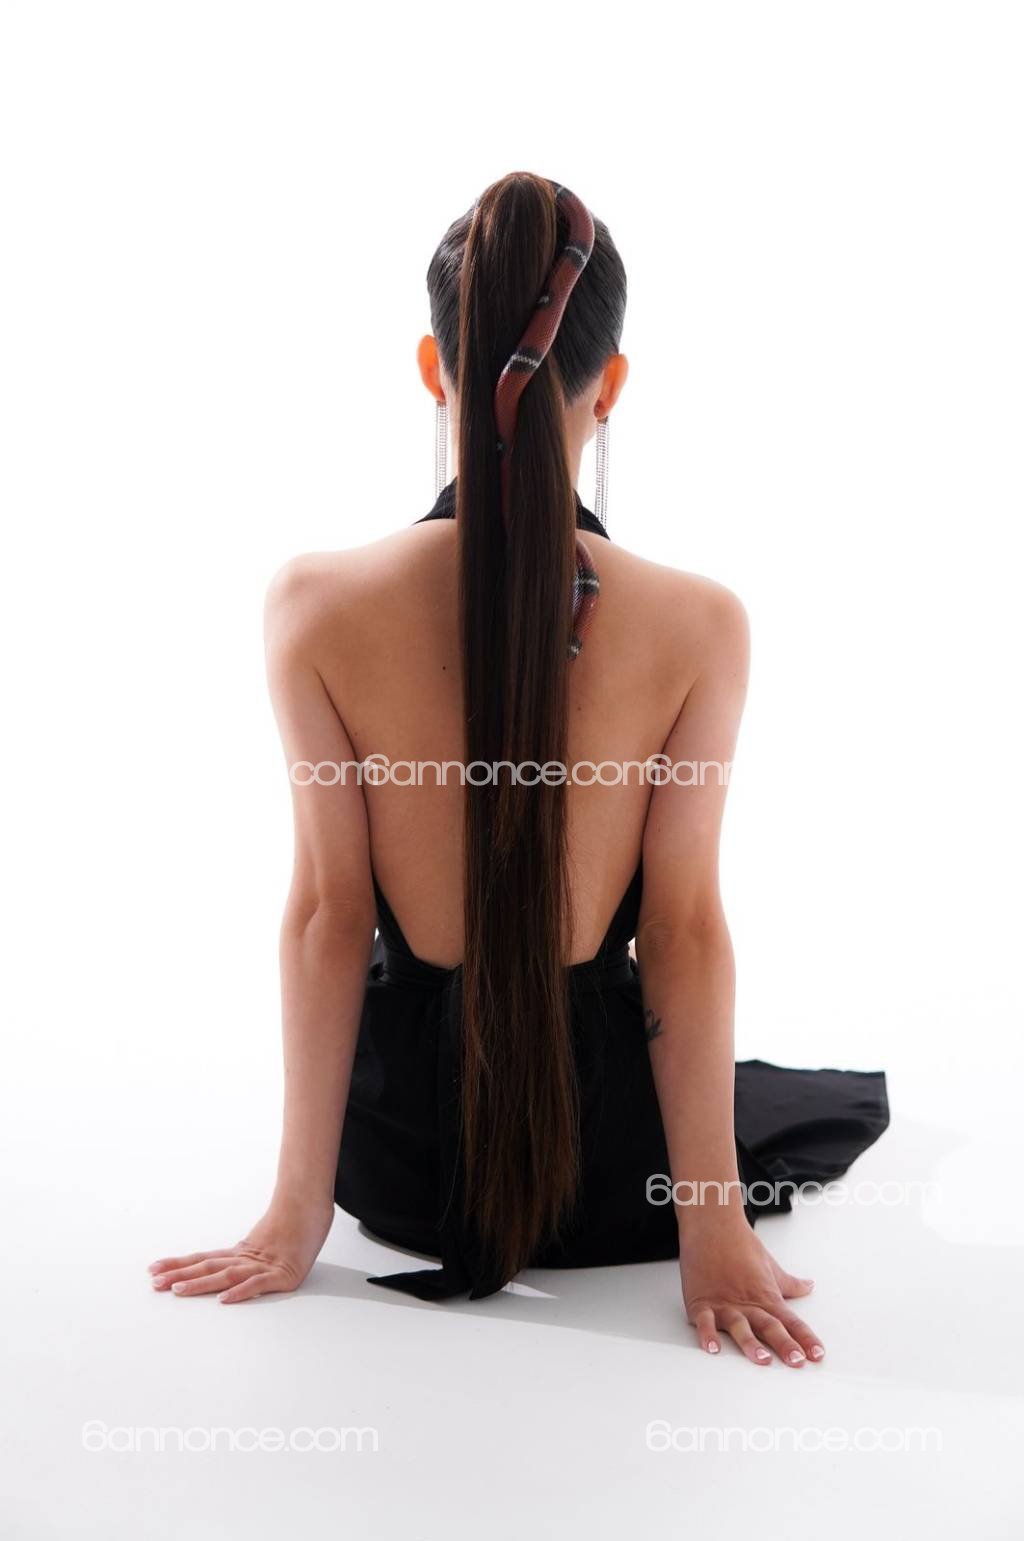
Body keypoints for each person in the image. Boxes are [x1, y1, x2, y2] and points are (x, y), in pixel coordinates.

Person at [149, 172, 888, 1367]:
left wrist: (295, 1213)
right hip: (614, 1172)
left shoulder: (314, 603)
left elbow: (330, 916)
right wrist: (709, 1223)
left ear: (432, 369)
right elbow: (682, 930)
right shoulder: (700, 623)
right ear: (614, 384)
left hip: (402, 1169)